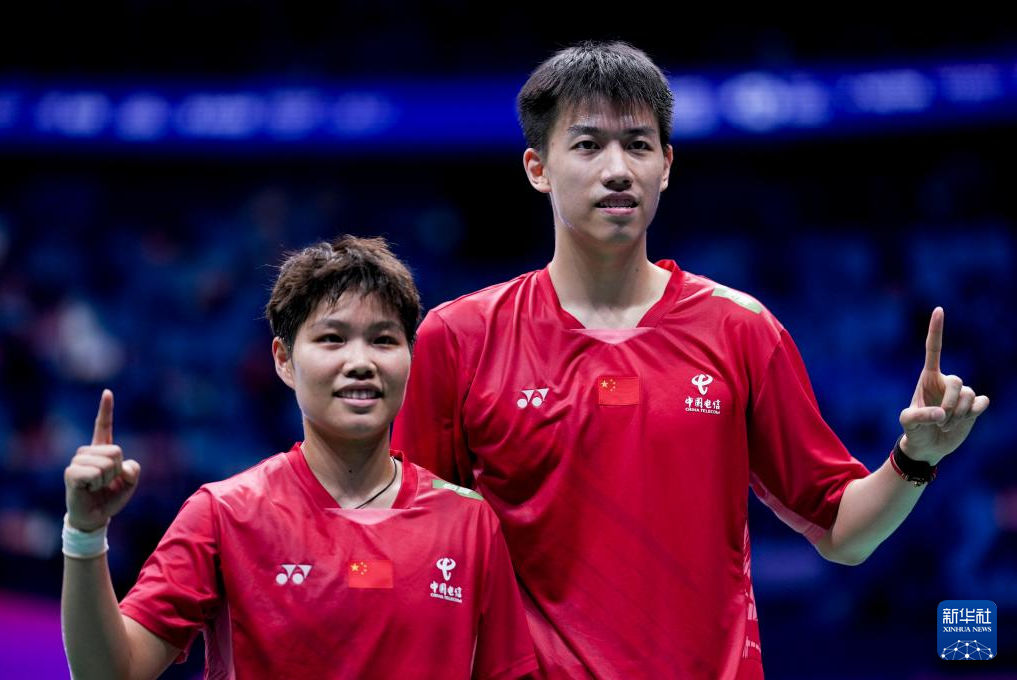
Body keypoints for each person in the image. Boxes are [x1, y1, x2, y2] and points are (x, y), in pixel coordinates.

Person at [392, 41, 990, 679]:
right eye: (588, 145)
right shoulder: (459, 339)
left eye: (638, 145)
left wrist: (915, 460)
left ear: (666, 166)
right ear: (538, 167)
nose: (617, 170)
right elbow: (414, 552)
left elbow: (844, 532)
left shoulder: (741, 331)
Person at [61, 236, 537, 679]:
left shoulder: (469, 523)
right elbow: (110, 673)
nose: (361, 362)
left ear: (410, 358)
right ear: (284, 360)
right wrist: (84, 533)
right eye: (332, 338)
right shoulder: (225, 514)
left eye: (384, 340)